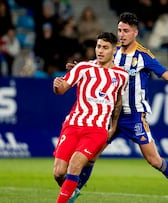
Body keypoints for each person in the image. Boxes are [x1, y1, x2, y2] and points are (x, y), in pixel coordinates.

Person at [68, 12, 168, 203]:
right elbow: (96, 65)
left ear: (135, 33)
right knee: (91, 155)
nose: (121, 34)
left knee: (154, 160)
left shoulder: (144, 56)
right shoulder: (114, 51)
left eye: (126, 31)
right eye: (119, 30)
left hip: (134, 116)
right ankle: (75, 191)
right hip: (110, 115)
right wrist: (78, 67)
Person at [53, 32, 129, 203]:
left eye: (105, 47)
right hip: (73, 125)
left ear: (114, 50)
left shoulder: (122, 75)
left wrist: (114, 125)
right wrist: (57, 86)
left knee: (75, 165)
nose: (100, 51)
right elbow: (62, 89)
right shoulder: (82, 67)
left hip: (96, 130)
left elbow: (117, 101)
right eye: (98, 47)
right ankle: (71, 192)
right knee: (59, 172)